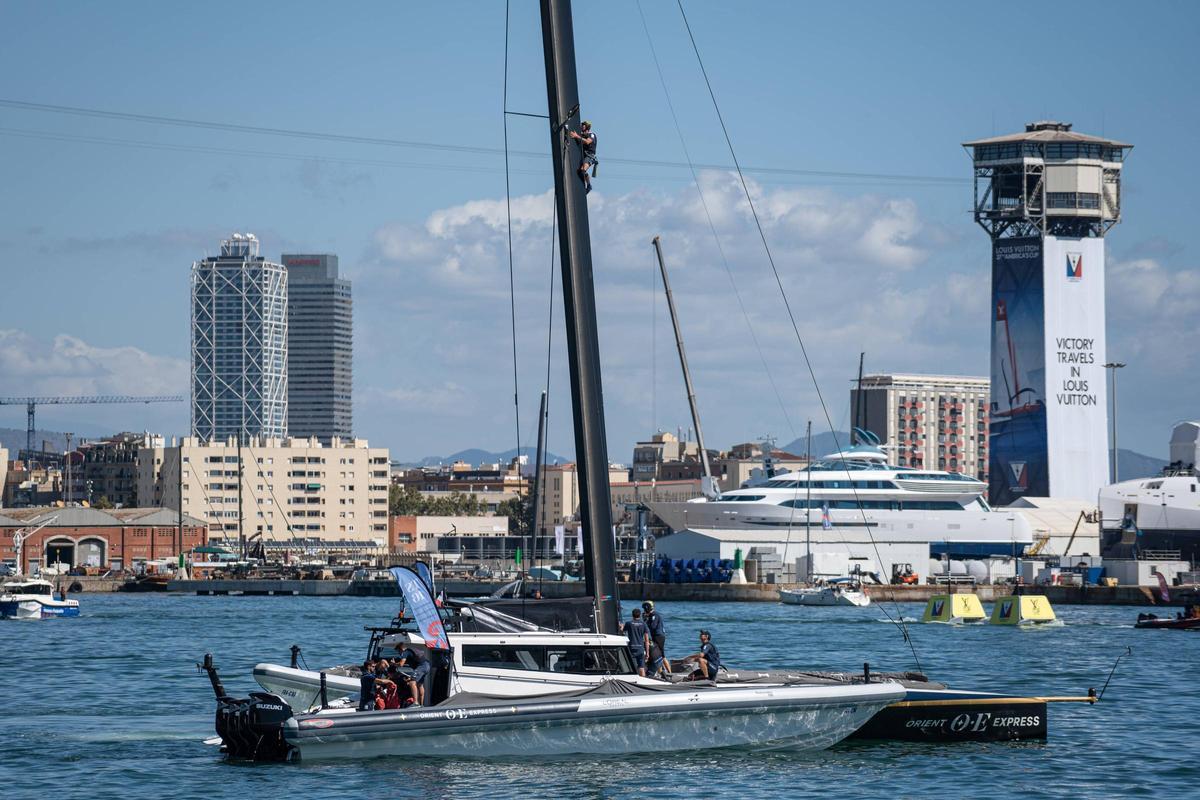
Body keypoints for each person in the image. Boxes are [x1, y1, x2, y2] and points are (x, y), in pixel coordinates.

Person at [567, 120, 597, 194]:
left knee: (583, 170)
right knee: (580, 171)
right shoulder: (582, 135)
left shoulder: (591, 134)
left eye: (584, 125)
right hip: (584, 156)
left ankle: (589, 185)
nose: (582, 126)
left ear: (587, 127)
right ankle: (585, 185)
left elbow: (587, 141)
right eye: (582, 124)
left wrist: (577, 136)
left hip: (590, 156)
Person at [643, 601, 670, 673]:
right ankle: (661, 672)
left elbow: (653, 626)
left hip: (658, 637)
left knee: (661, 655)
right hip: (657, 636)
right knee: (658, 655)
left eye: (644, 608)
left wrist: (646, 620)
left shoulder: (654, 615)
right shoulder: (652, 615)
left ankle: (669, 673)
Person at [623, 608, 651, 677]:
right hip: (640, 648)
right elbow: (647, 640)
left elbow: (622, 631)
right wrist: (647, 653)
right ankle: (643, 683)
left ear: (632, 615)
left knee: (630, 667)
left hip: (631, 648)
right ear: (640, 615)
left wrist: (621, 626)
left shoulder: (629, 623)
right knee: (641, 667)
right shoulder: (643, 624)